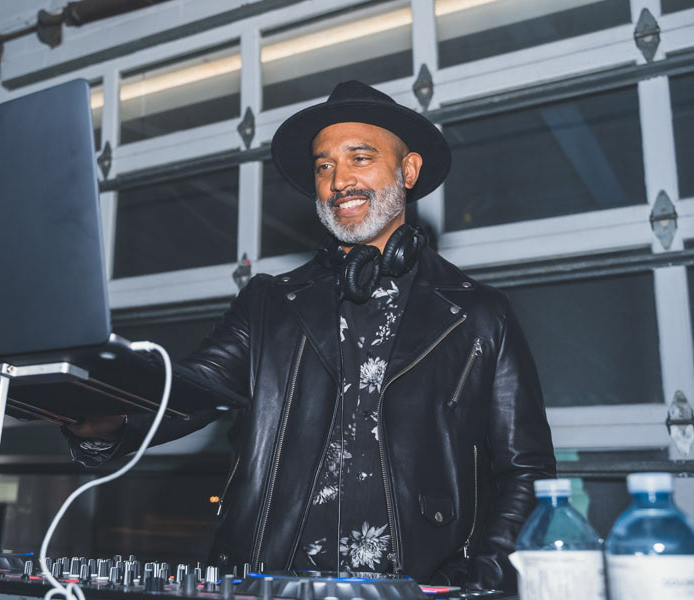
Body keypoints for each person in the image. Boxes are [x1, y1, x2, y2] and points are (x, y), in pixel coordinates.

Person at [64, 81, 555, 592]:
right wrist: (105, 415)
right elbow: (192, 388)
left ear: (408, 171)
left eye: (360, 158)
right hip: (272, 583)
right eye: (324, 166)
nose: (339, 180)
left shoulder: (479, 314)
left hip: (417, 586)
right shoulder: (269, 303)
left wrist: (483, 581)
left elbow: (526, 470)